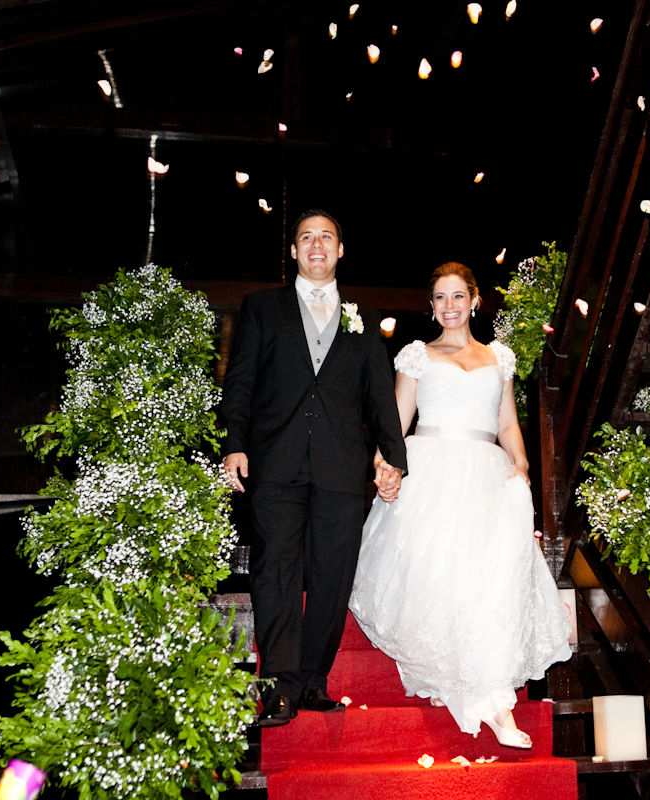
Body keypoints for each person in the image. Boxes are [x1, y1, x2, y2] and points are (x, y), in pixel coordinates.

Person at [348, 262, 572, 748]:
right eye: (439, 298)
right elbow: (396, 422)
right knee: (444, 582)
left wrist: (522, 466)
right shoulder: (417, 357)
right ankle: (491, 707)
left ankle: (491, 699)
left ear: (474, 300)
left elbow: (508, 422)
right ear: (431, 307)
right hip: (431, 473)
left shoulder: (500, 358)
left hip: (486, 477)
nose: (448, 306)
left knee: (486, 586)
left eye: (457, 296)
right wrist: (384, 468)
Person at [219, 209, 408, 727]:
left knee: (332, 574)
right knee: (274, 570)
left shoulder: (364, 315)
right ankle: (277, 687)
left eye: (327, 236)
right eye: (307, 238)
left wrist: (392, 456)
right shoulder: (262, 307)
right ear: (295, 251)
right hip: (274, 461)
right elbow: (240, 382)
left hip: (341, 465)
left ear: (340, 249)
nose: (317, 245)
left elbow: (379, 395)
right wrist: (235, 443)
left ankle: (312, 681)